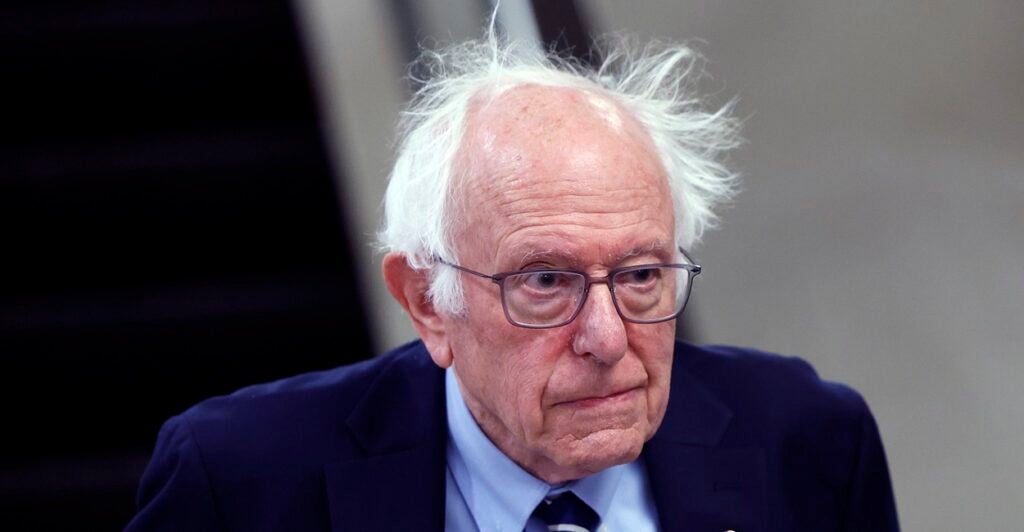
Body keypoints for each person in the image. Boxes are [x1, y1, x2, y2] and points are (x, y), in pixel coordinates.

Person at [126, 30, 899, 532]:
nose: (606, 338)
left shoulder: (809, 443)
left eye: (639, 274)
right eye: (545, 281)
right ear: (428, 301)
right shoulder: (239, 484)